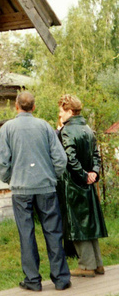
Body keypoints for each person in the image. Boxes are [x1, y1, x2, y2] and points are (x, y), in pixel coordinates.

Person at [0, 90, 71, 292]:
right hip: (45, 187)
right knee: (53, 232)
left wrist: (10, 178)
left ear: (16, 106)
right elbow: (61, 159)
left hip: (21, 189)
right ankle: (61, 279)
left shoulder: (7, 129)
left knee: (26, 233)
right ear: (34, 107)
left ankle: (32, 280)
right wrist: (52, 176)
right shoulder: (45, 127)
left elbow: (1, 163)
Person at [57, 93, 107, 277]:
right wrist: (93, 173)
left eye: (61, 111)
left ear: (70, 111)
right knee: (91, 222)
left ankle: (86, 265)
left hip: (74, 184)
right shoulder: (87, 128)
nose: (60, 115)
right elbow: (96, 154)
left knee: (78, 224)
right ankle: (98, 263)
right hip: (87, 182)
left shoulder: (67, 130)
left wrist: (83, 175)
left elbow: (69, 159)